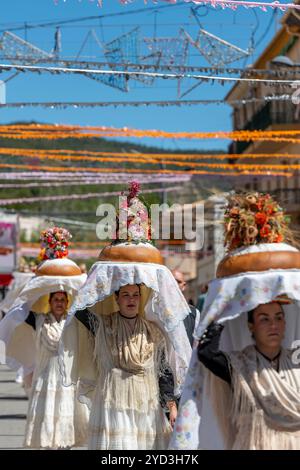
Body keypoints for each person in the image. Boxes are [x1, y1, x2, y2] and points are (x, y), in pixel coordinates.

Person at [74, 283, 178, 450]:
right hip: (114, 403)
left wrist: (172, 406)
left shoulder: (153, 331)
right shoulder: (104, 325)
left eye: (135, 295)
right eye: (125, 295)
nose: (131, 299)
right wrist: (105, 280)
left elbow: (164, 372)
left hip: (146, 405)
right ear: (116, 298)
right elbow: (79, 309)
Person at [197, 300, 300, 449]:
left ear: (285, 323)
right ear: (251, 326)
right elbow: (206, 353)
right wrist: (224, 302)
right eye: (264, 319)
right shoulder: (239, 365)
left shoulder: (296, 363)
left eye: (278, 318)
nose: (273, 325)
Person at [23, 291, 89, 449]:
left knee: (66, 417)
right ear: (50, 302)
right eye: (55, 300)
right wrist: (40, 283)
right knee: (48, 417)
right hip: (46, 378)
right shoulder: (38, 320)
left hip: (68, 379)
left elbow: (89, 308)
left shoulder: (74, 321)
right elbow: (21, 307)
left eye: (62, 300)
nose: (59, 303)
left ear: (67, 302)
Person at [171, 269, 200, 347]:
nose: (174, 284)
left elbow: (196, 343)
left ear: (183, 286)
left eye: (178, 281)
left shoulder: (193, 313)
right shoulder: (156, 310)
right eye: (171, 280)